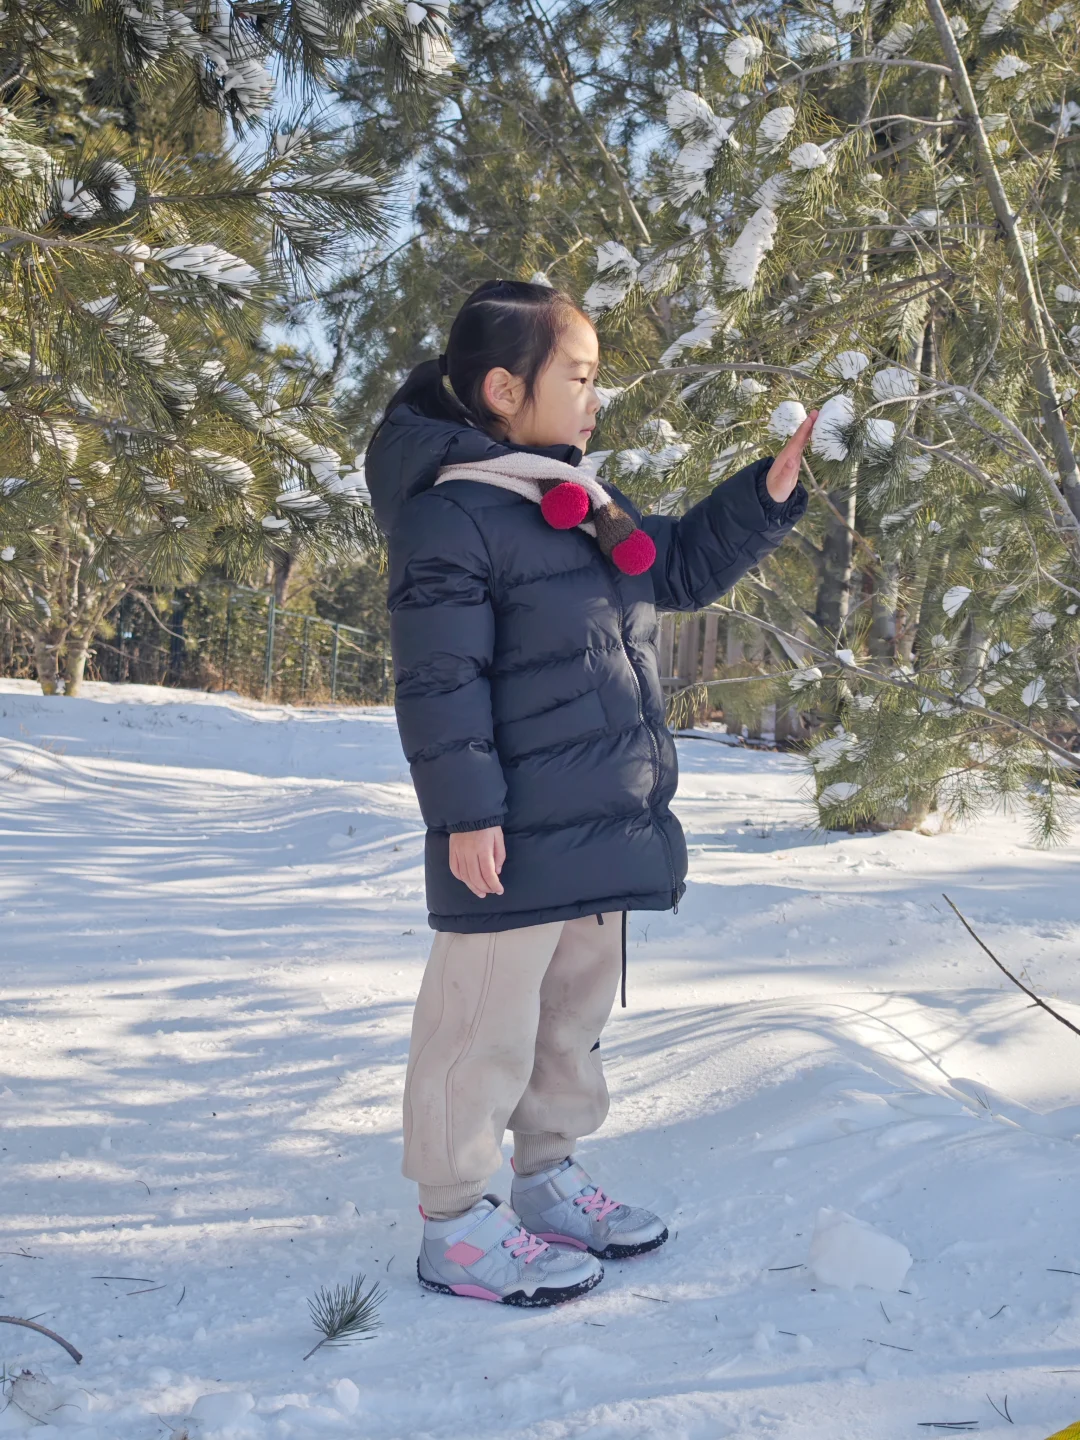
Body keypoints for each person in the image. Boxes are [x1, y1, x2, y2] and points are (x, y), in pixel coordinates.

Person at [365, 279, 816, 1307]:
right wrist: (466, 813)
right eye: (578, 375)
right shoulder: (454, 519)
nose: (595, 396)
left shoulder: (569, 503)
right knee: (479, 1025)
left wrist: (766, 494)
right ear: (500, 389)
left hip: (593, 826)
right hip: (510, 833)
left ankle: (547, 1174)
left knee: (567, 1020)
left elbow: (678, 568)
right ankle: (451, 1222)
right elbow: (440, 681)